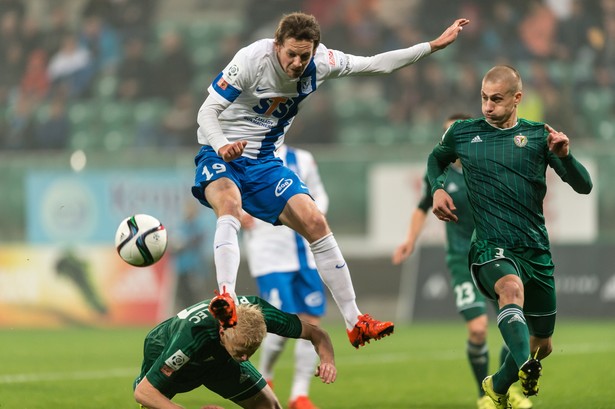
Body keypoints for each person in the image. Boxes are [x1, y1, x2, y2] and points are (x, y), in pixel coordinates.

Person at [191, 11, 470, 348]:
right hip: (218, 151)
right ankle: (227, 299)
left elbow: (378, 64)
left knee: (315, 220)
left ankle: (356, 321)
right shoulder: (251, 59)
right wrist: (222, 146)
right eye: (290, 54)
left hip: (264, 160)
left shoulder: (322, 62)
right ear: (276, 45)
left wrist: (434, 46)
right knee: (230, 206)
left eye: (304, 56)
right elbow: (206, 111)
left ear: (315, 50)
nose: (296, 62)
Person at [426, 65, 593, 408]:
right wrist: (437, 189)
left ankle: (499, 384)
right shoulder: (462, 132)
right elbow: (436, 159)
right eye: (484, 98)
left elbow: (584, 186)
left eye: (497, 99)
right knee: (510, 290)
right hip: (489, 246)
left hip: (535, 249)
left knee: (542, 343)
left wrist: (566, 156)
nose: (488, 106)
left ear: (517, 98)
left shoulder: (539, 136)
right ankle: (525, 368)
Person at [393, 114, 533, 409]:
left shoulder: (485, 165)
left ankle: (505, 389)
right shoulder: (440, 175)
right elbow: (422, 208)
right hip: (461, 258)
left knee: (514, 323)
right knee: (478, 329)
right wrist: (409, 240)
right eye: (445, 134)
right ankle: (484, 395)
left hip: (497, 255)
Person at [133, 294, 336, 409]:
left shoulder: (262, 315)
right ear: (222, 331)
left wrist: (327, 360)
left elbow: (317, 334)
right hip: (176, 358)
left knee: (269, 407)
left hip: (223, 358)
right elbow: (144, 392)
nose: (246, 358)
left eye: (251, 351)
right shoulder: (192, 336)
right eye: (242, 351)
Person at [242, 144, 328, 409]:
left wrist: (311, 214)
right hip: (270, 255)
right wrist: (240, 212)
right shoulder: (243, 156)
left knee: (311, 320)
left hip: (306, 254)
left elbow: (320, 196)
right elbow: (227, 195)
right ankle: (266, 375)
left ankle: (299, 395)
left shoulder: (303, 158)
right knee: (279, 322)